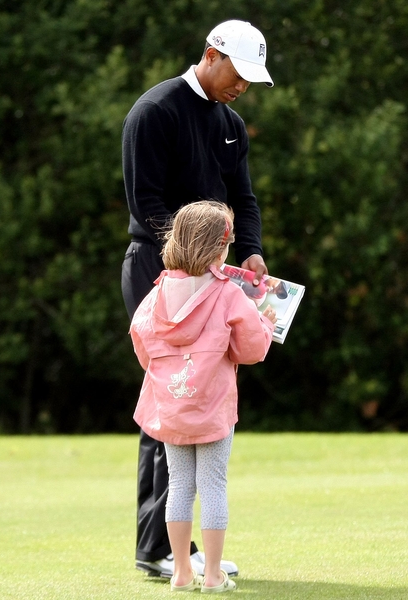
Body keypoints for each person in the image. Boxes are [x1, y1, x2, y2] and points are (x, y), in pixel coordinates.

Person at [121, 19, 274, 578]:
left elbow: (243, 198)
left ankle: (177, 548)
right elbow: (146, 203)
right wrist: (192, 262)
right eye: (238, 73)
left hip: (211, 272)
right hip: (157, 268)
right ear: (211, 55)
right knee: (171, 404)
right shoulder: (155, 111)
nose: (243, 86)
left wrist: (249, 250)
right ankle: (159, 547)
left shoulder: (230, 124)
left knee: (199, 400)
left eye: (252, 79)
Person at [130, 201, 277, 592]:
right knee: (212, 485)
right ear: (220, 248)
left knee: (179, 485)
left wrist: (165, 370)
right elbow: (251, 349)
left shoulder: (158, 291)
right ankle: (212, 575)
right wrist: (265, 324)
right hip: (212, 407)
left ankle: (181, 572)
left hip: (172, 405)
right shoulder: (228, 294)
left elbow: (141, 338)